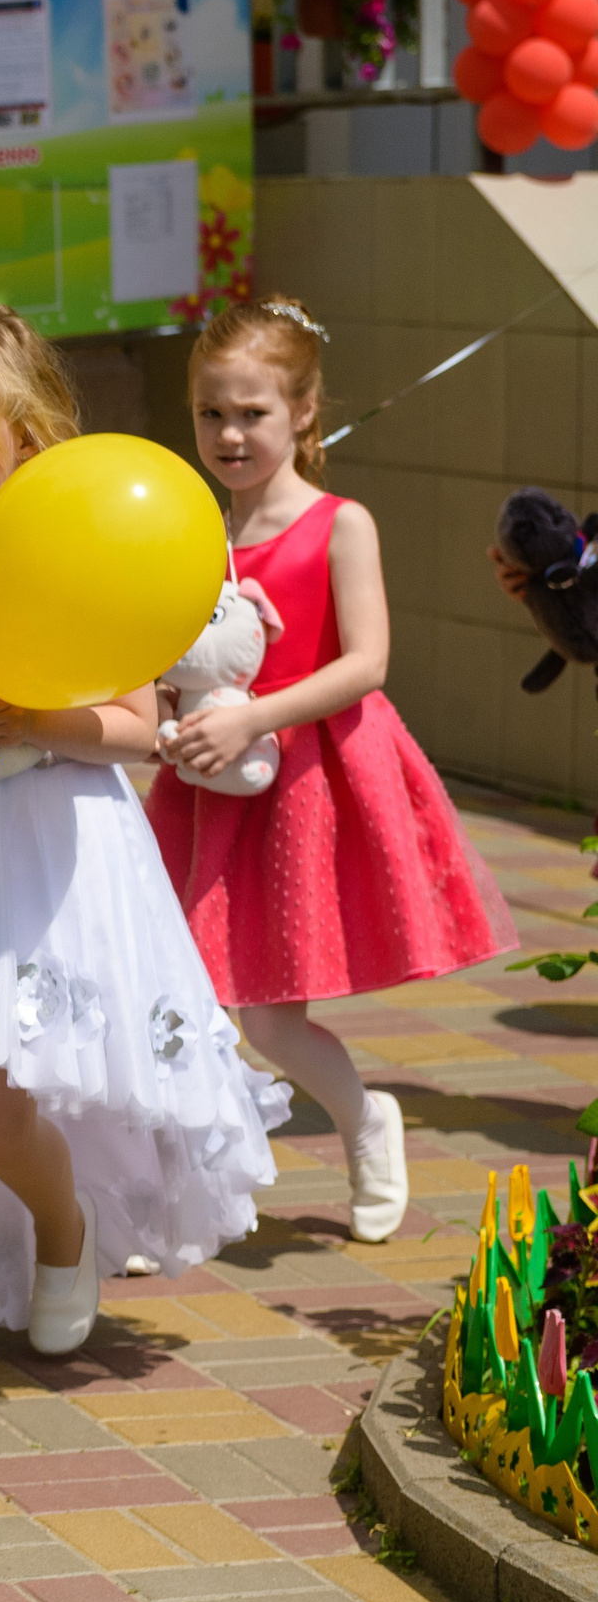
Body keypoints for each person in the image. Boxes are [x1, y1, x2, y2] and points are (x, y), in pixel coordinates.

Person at [0, 309, 285, 1421]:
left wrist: (35, 713)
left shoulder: (77, 551)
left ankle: (62, 1225)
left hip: (35, 853)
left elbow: (137, 724)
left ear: (28, 441)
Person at [151, 297, 516, 1241]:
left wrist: (254, 719)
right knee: (182, 992)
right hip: (203, 786)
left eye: (253, 413)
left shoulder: (341, 522)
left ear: (304, 413)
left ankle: (364, 1119)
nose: (229, 434)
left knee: (267, 1019)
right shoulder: (194, 532)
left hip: (305, 783)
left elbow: (366, 663)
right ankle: (181, 1195)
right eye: (210, 413)